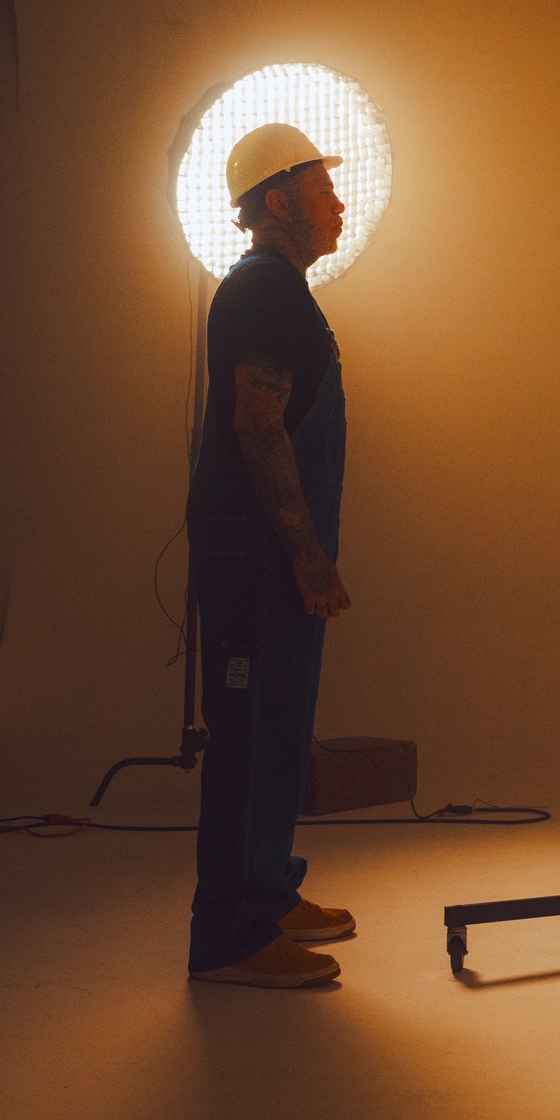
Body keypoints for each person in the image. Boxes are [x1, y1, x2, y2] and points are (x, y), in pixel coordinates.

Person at [185, 122, 356, 989]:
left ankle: (268, 887)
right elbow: (259, 430)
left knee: (282, 725)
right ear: (278, 201)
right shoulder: (262, 292)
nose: (338, 201)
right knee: (250, 736)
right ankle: (231, 936)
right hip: (258, 559)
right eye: (322, 186)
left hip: (272, 558)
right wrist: (305, 553)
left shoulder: (282, 291)